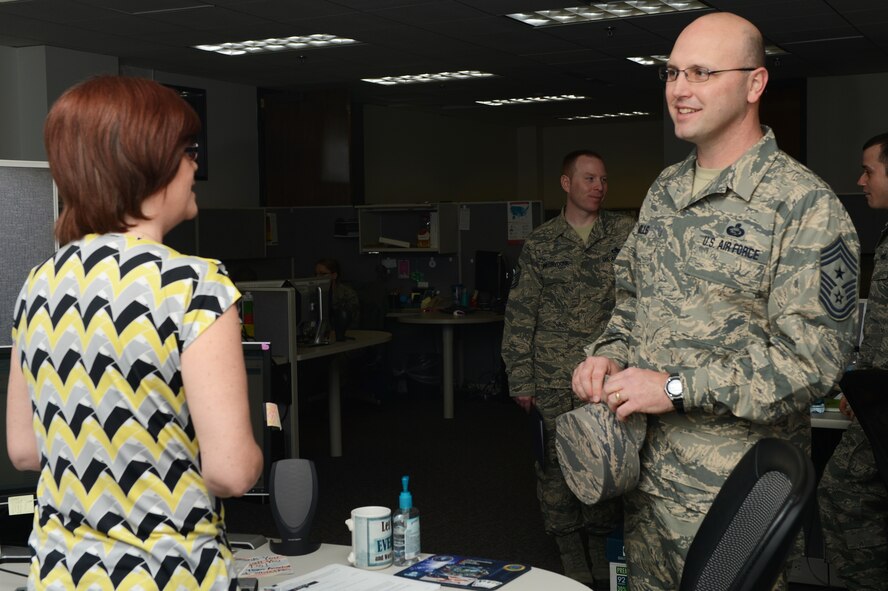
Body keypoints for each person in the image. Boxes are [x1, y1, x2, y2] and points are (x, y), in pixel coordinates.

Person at [571, 12, 859, 591]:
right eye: (673, 73)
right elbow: (631, 299)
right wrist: (608, 353)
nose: (680, 89)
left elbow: (812, 364)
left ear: (754, 84)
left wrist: (674, 388)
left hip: (738, 494)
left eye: (702, 72)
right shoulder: (665, 190)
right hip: (645, 480)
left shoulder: (805, 207)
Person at [5, 76, 263, 590]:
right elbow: (231, 472)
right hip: (167, 575)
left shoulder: (40, 283)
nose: (195, 166)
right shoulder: (194, 286)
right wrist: (256, 444)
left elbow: (24, 452)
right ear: (151, 163)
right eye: (189, 151)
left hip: (60, 576)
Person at [501, 150, 635, 587]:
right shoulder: (542, 243)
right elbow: (521, 315)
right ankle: (569, 556)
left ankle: (600, 554)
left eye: (603, 179)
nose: (599, 187)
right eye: (589, 178)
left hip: (605, 380)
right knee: (555, 472)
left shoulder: (623, 233)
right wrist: (521, 379)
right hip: (552, 378)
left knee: (603, 465)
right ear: (566, 184)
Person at [818, 132, 888, 591]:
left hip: (882, 400)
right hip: (876, 396)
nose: (860, 180)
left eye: (869, 170)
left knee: (842, 492)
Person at [315, 257, 360, 330]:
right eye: (316, 274)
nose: (318, 277)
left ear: (334, 275)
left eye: (322, 274)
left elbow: (352, 320)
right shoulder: (314, 294)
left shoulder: (347, 294)